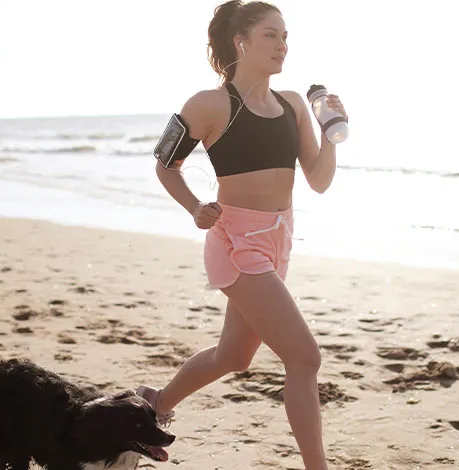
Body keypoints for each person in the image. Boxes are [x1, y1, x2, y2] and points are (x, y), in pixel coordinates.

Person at [138, 1, 347, 469]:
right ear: (241, 41)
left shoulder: (293, 103)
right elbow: (164, 164)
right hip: (236, 242)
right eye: (271, 35)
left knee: (234, 356)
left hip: (279, 237)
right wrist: (195, 207)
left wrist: (329, 133)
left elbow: (318, 179)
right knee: (305, 357)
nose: (282, 45)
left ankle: (156, 401)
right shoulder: (209, 104)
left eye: (286, 36)